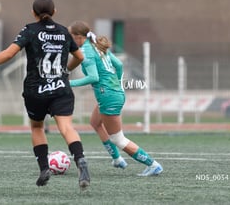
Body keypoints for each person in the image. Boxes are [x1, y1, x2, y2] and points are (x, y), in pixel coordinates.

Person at [0, 0, 90, 188]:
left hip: (35, 90)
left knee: (37, 127)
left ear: (33, 13)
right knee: (66, 128)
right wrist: (65, 71)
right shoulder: (64, 31)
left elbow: (9, 53)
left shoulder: (30, 30)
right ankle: (80, 160)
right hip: (60, 88)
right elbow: (79, 57)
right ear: (54, 12)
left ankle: (44, 169)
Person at [68, 21, 163, 176]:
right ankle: (117, 159)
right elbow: (118, 64)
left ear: (78, 37)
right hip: (112, 93)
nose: (68, 39)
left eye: (70, 36)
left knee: (118, 139)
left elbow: (93, 77)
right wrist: (117, 83)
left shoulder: (86, 51)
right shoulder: (96, 45)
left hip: (108, 96)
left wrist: (68, 83)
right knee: (95, 123)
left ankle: (153, 165)